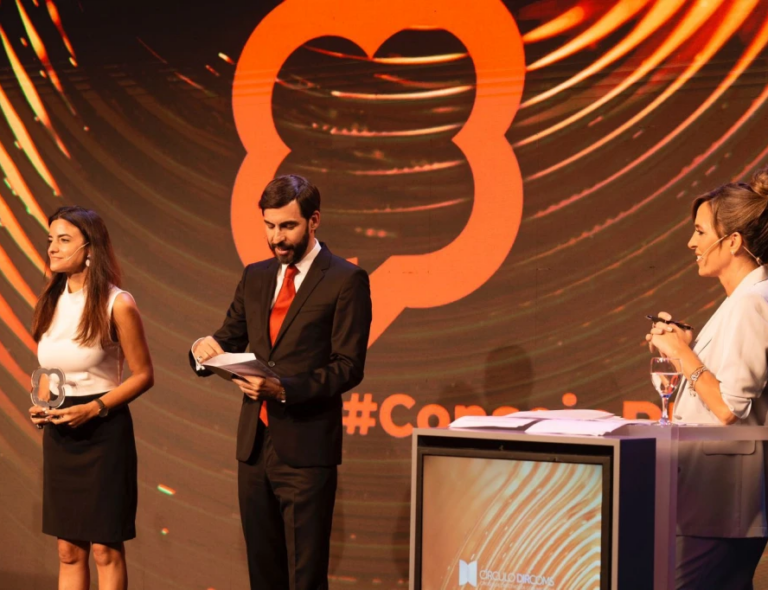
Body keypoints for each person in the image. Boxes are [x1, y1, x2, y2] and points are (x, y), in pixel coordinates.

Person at [190, 174, 372, 589]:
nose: (277, 238)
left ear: (314, 220)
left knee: (305, 577)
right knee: (263, 574)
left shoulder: (345, 279)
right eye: (270, 226)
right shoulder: (255, 276)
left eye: (287, 226)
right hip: (254, 447)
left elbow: (348, 366)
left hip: (306, 449)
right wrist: (201, 349)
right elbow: (227, 337)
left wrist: (283, 388)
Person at [646, 167, 768, 590]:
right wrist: (687, 347)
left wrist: (682, 354)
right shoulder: (742, 301)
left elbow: (729, 407)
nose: (691, 243)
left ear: (732, 241)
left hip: (722, 503)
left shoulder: (752, 302)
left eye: (700, 232)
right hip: (717, 503)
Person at [28, 206, 154, 590]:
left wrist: (95, 408)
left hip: (103, 432)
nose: (52, 248)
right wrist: (42, 406)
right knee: (68, 550)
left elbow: (144, 375)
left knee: (104, 550)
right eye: (51, 240)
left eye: (64, 240)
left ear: (90, 249)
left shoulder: (118, 303)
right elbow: (51, 366)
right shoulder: (52, 299)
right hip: (62, 433)